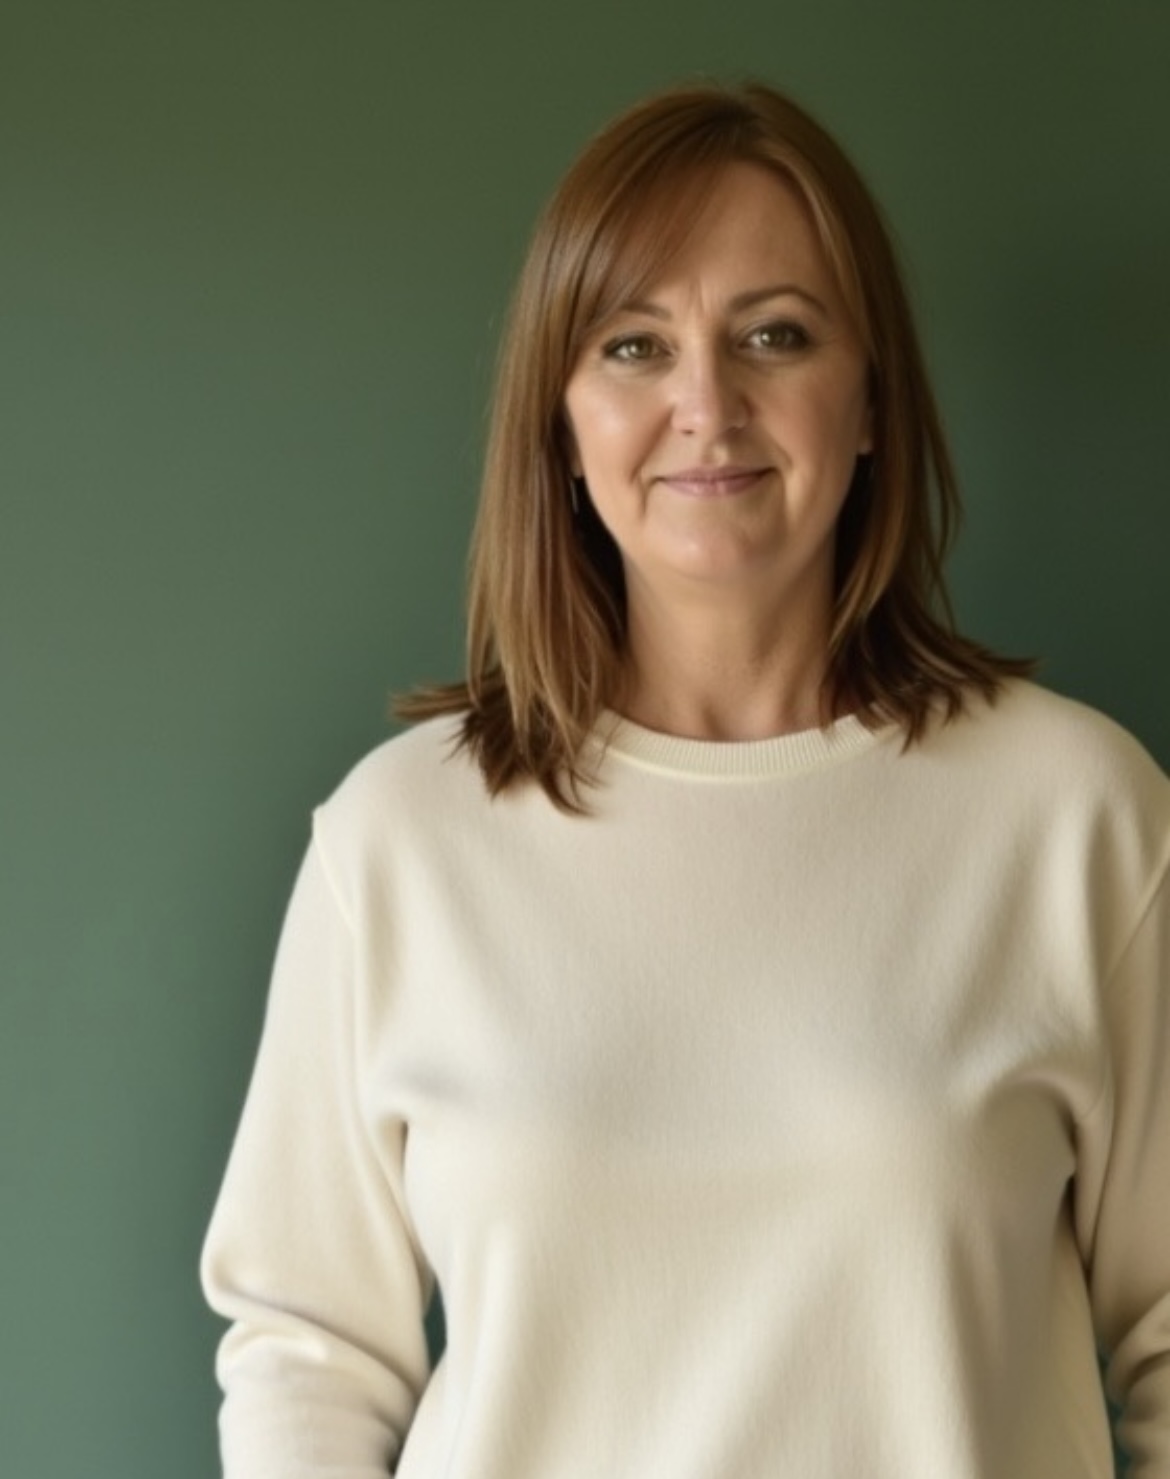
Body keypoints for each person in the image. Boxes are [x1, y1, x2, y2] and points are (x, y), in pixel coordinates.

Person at [200, 82, 1170, 1478]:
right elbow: (307, 1351)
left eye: (775, 335)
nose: (706, 407)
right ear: (561, 420)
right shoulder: (399, 840)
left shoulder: (1079, 815)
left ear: (871, 401)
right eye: (634, 346)